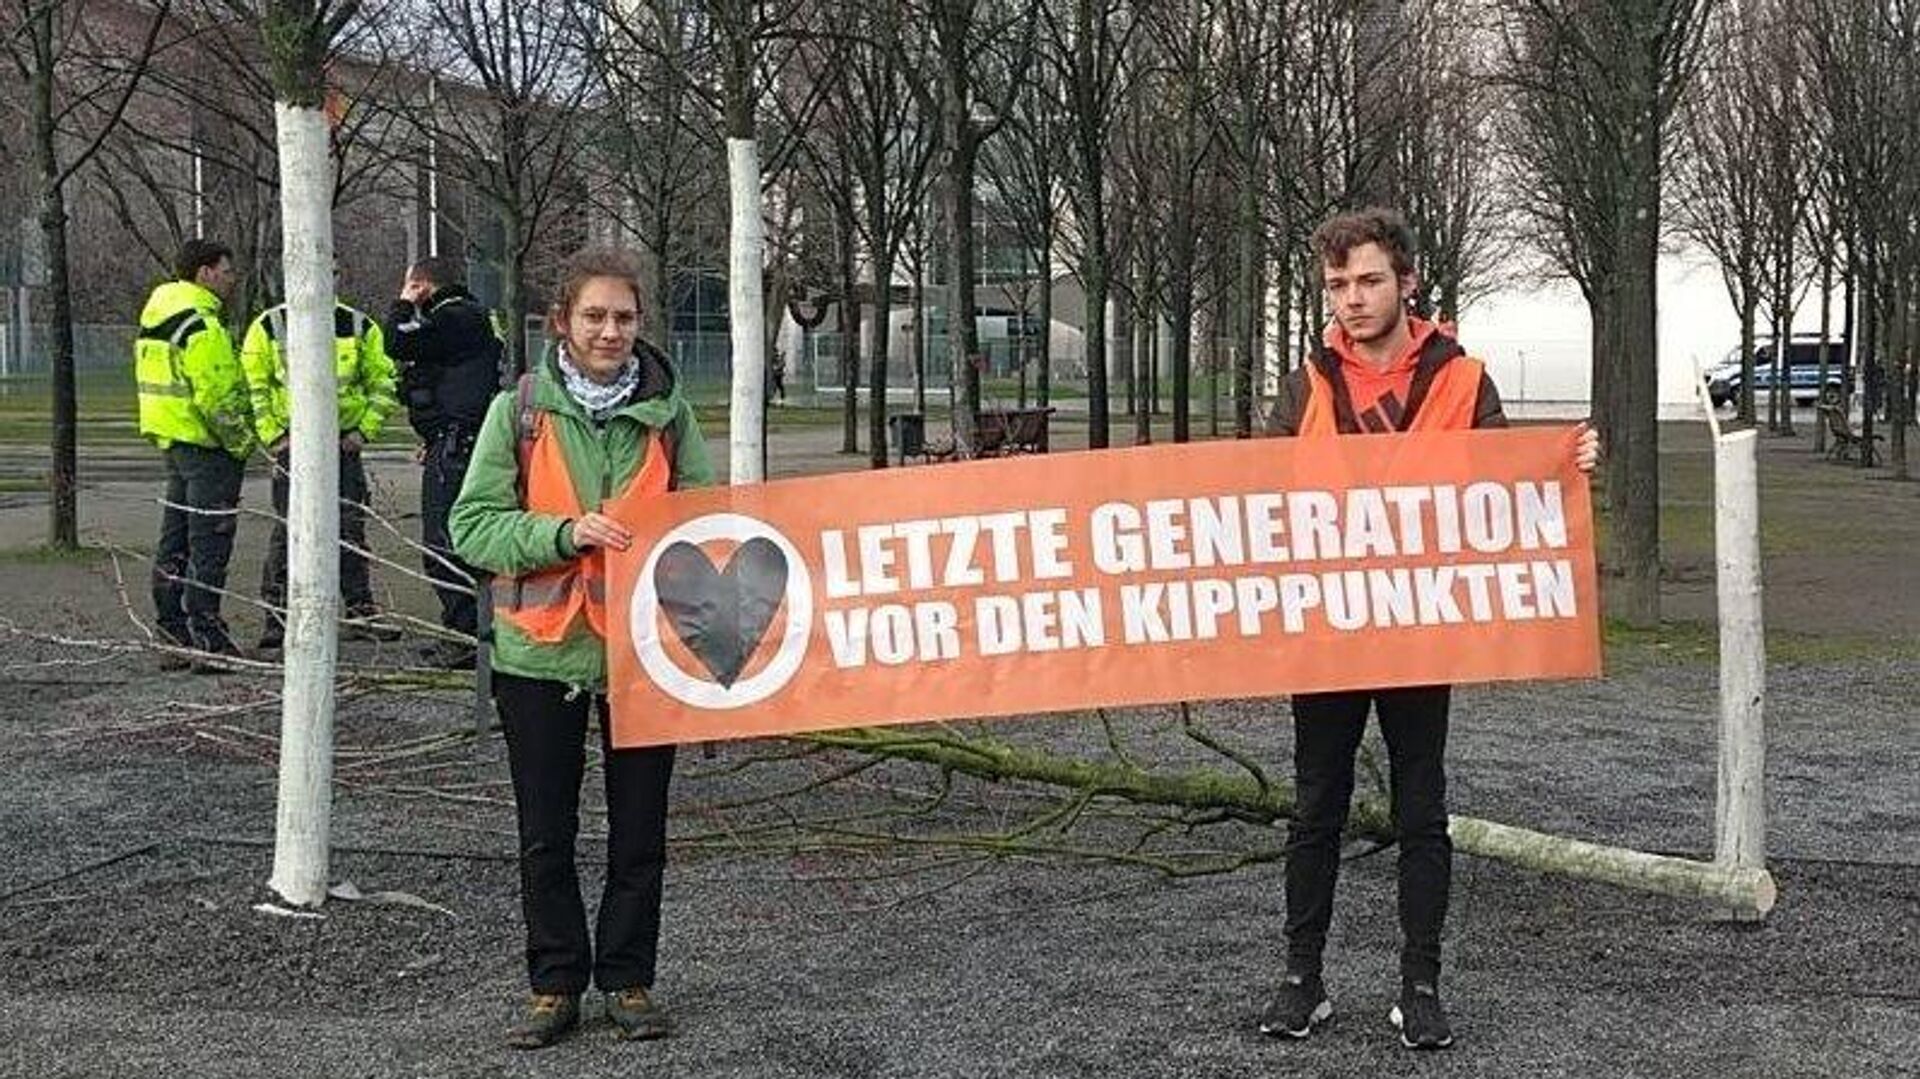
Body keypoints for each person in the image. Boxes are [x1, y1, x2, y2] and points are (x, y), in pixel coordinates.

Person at [1257, 208, 1600, 1050]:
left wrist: (1567, 464)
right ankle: (1303, 979)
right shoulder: (1305, 384)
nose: (1352, 298)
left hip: (1421, 630)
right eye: (1337, 284)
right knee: (1314, 808)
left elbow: (1504, 488)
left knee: (1422, 809)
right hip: (1329, 630)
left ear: (1407, 281)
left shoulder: (1463, 379)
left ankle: (1421, 984)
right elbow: (1258, 491)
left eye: (1368, 280)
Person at [450, 247, 713, 1049]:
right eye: (594, 315)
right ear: (561, 320)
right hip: (541, 655)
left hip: (645, 658)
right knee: (545, 832)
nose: (610, 331)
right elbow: (471, 523)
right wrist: (564, 533)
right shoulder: (519, 411)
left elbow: (705, 523)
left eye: (624, 317)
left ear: (641, 323)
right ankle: (554, 983)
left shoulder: (670, 414)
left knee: (641, 834)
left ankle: (629, 979)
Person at [240, 290, 402, 652]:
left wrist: (363, 431)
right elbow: (255, 386)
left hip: (341, 444)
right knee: (289, 530)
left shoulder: (357, 325)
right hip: (294, 444)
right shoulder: (271, 325)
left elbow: (384, 381)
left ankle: (360, 611)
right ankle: (278, 615)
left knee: (349, 528)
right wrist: (275, 436)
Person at [135, 239, 254, 670]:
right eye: (226, 269)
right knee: (210, 543)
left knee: (175, 539)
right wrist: (242, 442)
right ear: (205, 272)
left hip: (174, 439)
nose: (232, 277)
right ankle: (209, 638)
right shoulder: (202, 326)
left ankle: (172, 630)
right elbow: (218, 396)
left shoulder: (159, 316)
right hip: (208, 447)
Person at [386, 256, 502, 667]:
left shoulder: (453, 318)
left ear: (422, 285)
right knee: (456, 540)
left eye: (412, 287)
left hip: (457, 448)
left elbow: (396, 341)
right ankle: (472, 631)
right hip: (456, 442)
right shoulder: (469, 318)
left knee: (443, 543)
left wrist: (403, 303)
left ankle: (466, 636)